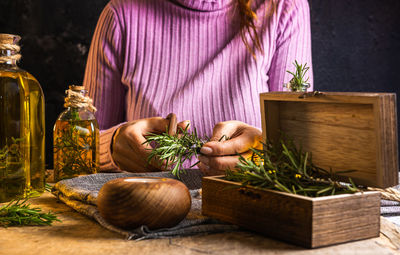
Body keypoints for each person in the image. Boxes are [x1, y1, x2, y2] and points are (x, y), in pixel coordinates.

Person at [83, 0, 313, 175]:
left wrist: (263, 156)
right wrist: (110, 146)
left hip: (248, 213)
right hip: (150, 217)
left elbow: (301, 150)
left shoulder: (282, 7)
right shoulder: (120, 14)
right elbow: (79, 148)